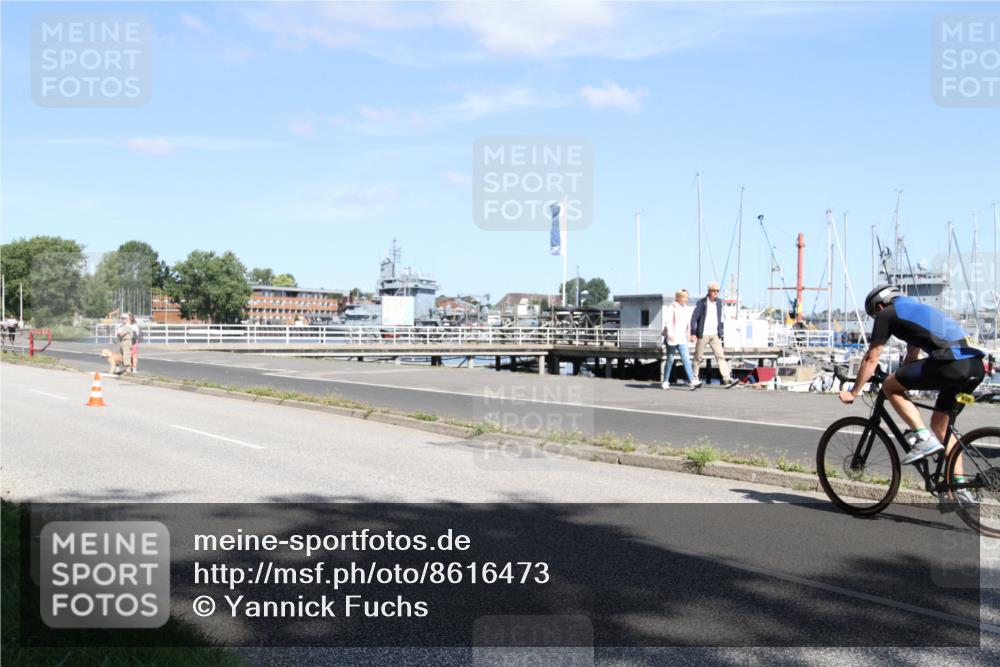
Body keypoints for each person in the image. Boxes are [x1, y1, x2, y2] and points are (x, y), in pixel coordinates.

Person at [839, 285, 985, 502]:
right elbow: (912, 356)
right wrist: (901, 378)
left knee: (889, 386)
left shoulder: (887, 314)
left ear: (879, 306)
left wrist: (854, 391)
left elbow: (871, 357)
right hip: (975, 367)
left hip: (952, 363)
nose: (876, 318)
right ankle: (960, 488)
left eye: (874, 315)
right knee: (941, 427)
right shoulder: (913, 309)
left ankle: (923, 437)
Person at [690, 281, 734, 386]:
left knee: (720, 356)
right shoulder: (702, 302)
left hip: (715, 334)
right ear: (709, 291)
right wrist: (693, 333)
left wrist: (720, 331)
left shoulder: (719, 302)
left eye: (718, 291)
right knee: (698, 357)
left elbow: (719, 318)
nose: (716, 293)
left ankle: (727, 378)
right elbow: (694, 318)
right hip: (703, 334)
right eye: (714, 291)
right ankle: (694, 378)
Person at [661, 289, 701, 390]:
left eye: (687, 297)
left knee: (686, 359)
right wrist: (670, 334)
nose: (686, 299)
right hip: (672, 337)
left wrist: (690, 335)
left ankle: (691, 381)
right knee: (670, 360)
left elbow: (687, 324)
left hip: (682, 338)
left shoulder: (685, 308)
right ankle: (665, 381)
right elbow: (668, 322)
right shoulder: (672, 307)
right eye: (684, 297)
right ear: (678, 297)